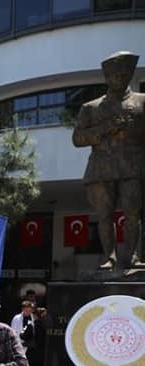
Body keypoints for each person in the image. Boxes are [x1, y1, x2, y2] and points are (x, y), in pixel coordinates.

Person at [71, 51, 145, 270]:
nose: (119, 79)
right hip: (101, 167)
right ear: (107, 78)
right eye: (114, 76)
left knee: (133, 212)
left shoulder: (142, 101)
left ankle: (131, 257)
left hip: (133, 166)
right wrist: (106, 128)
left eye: (124, 75)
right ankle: (108, 257)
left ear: (130, 75)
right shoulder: (91, 107)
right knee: (104, 215)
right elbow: (77, 139)